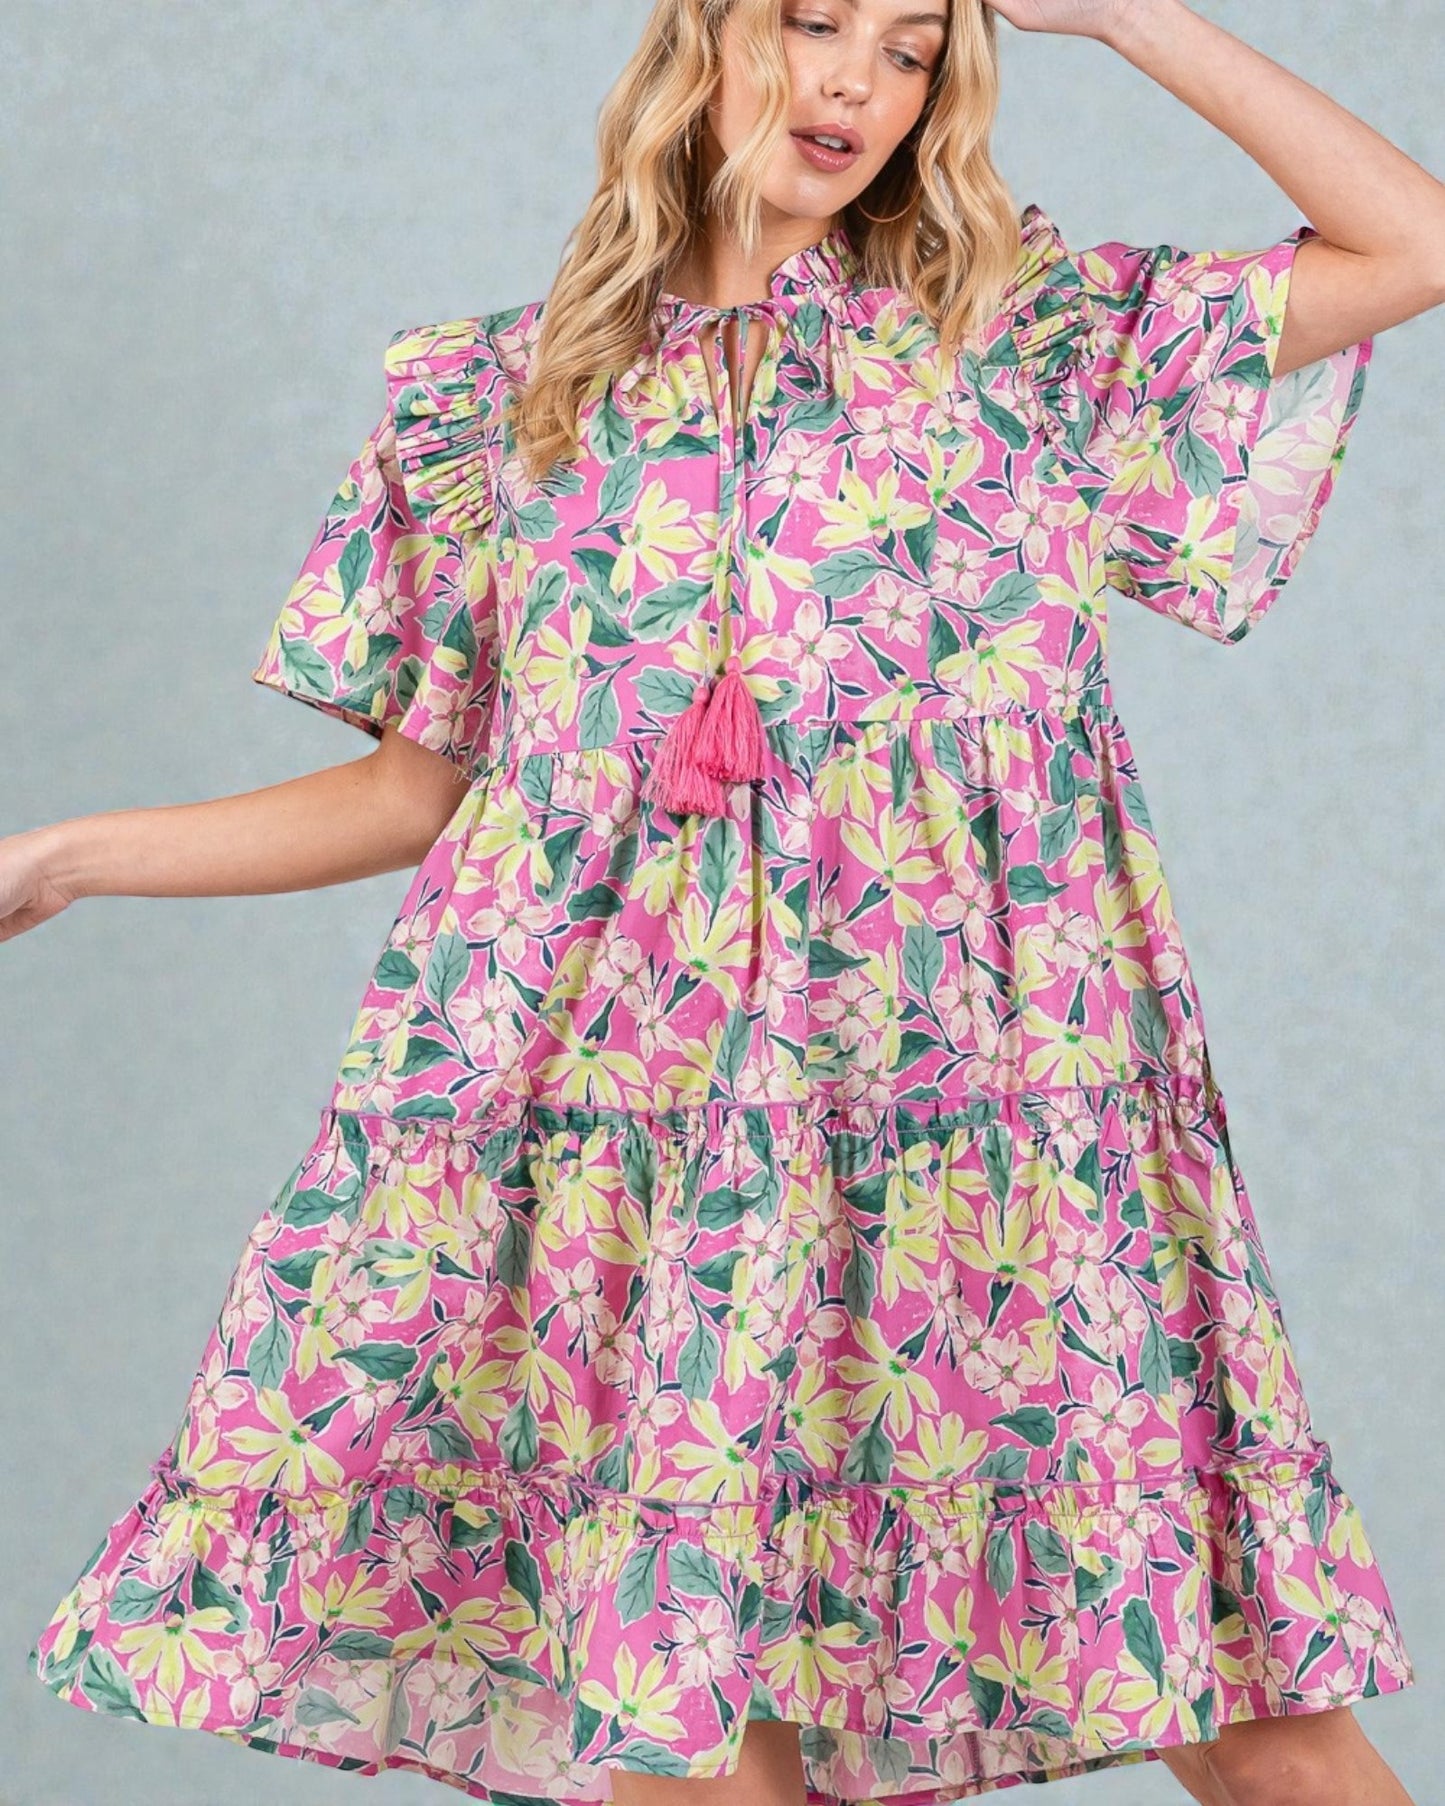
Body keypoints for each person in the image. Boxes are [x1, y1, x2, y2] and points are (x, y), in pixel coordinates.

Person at [7, 0, 1435, 1801]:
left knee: (1244, 1700)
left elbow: (1414, 241)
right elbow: (417, 793)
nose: (852, 78)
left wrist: (1121, 12)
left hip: (973, 1143)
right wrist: (59, 854)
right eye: (811, 21)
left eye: (910, 47)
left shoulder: (1021, 344)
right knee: (679, 1732)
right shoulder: (489, 405)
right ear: (698, 39)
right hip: (632, 1150)